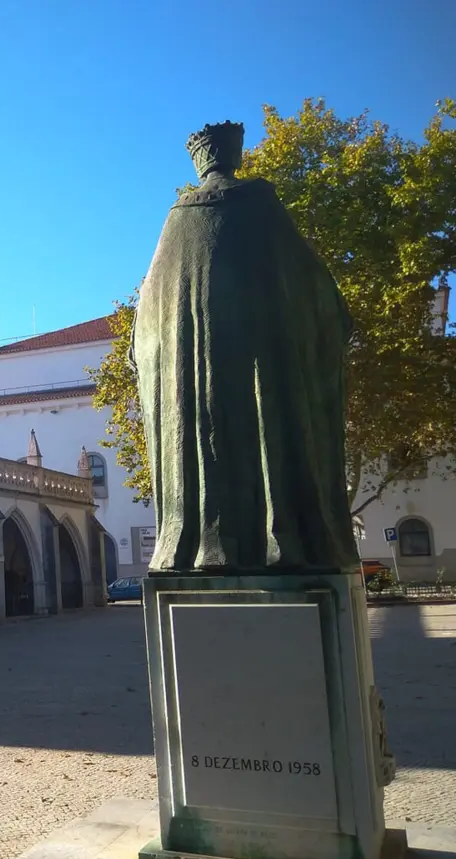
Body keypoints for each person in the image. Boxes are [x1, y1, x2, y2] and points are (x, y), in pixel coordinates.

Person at [131, 121, 358, 574]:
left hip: (193, 387)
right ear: (234, 157)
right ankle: (284, 542)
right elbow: (316, 293)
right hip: (265, 372)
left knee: (206, 450)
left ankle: (202, 547)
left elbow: (146, 323)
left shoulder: (176, 224)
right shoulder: (262, 209)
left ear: (200, 165)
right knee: (271, 435)